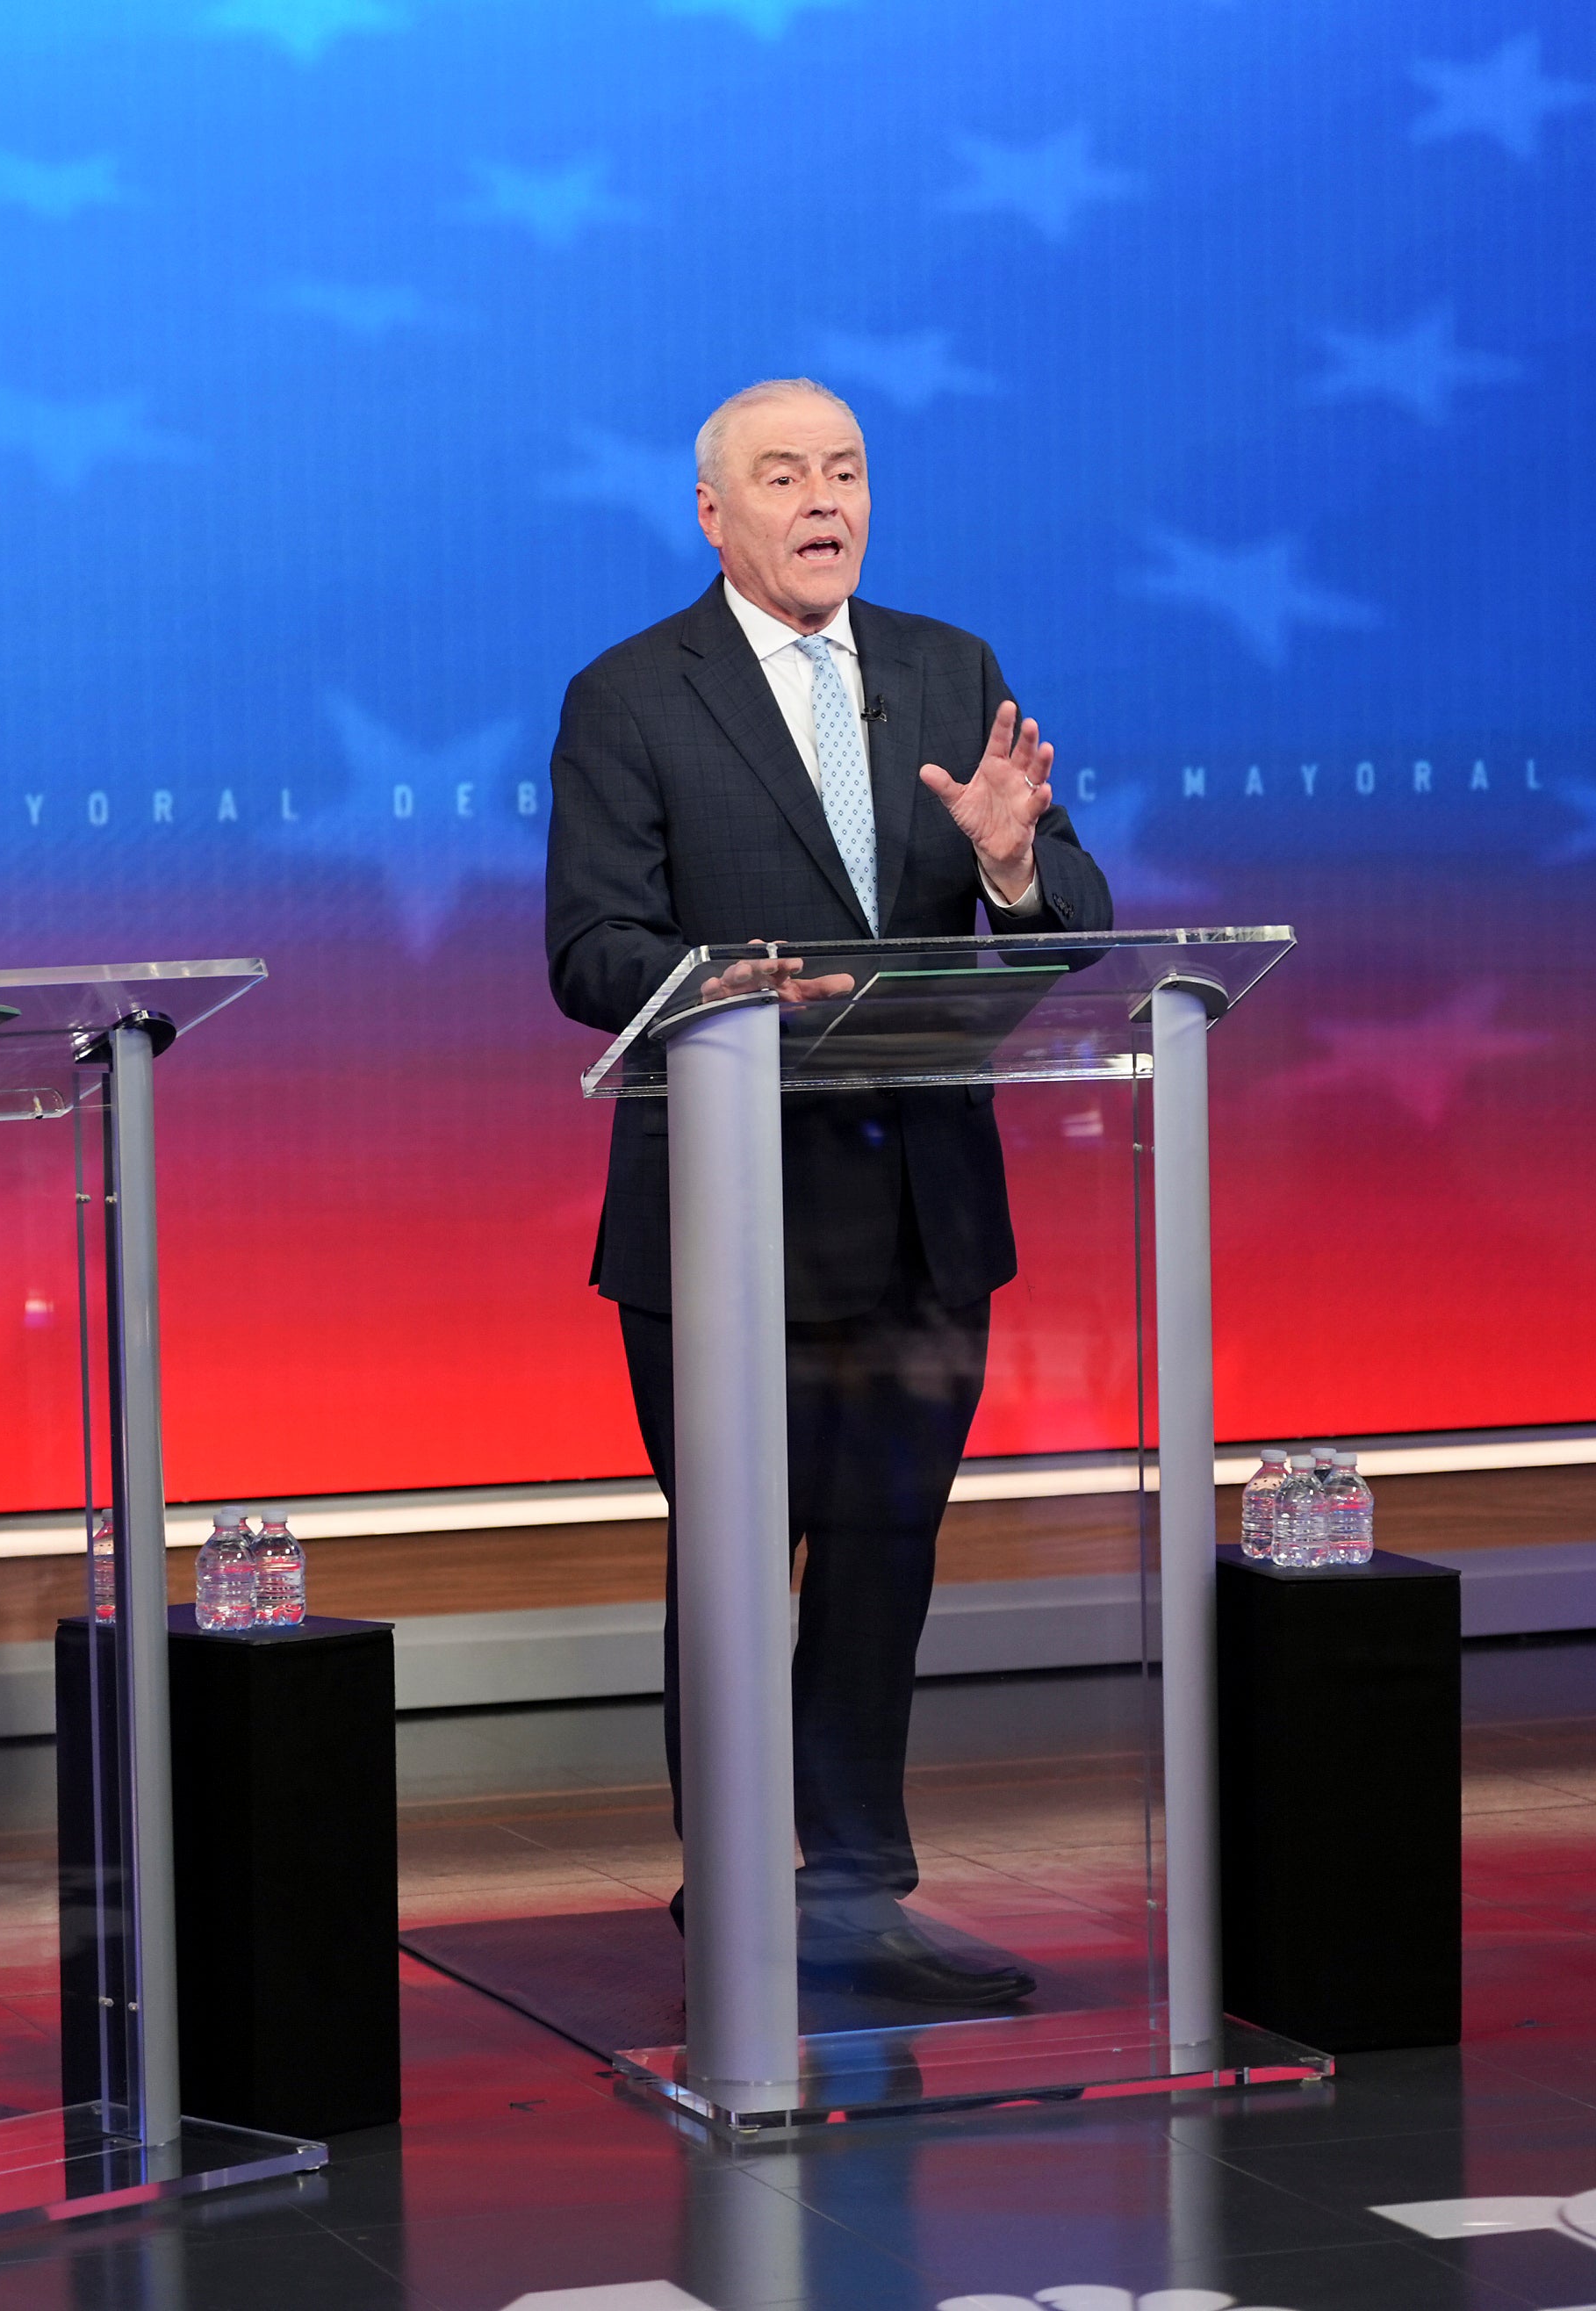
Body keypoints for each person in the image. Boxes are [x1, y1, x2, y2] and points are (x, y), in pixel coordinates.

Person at [545, 378, 1112, 2007]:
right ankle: (733, 1888)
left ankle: (858, 1897)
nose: (824, 502)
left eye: (846, 472)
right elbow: (588, 949)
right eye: (784, 475)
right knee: (734, 1565)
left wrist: (1012, 861)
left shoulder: (951, 670)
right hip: (727, 1216)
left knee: (884, 1559)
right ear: (712, 512)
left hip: (926, 1213)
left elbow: (1075, 922)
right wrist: (720, 986)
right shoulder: (631, 694)